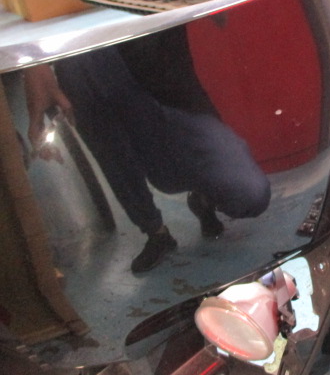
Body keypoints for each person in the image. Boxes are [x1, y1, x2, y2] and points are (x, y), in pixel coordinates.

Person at [24, 27, 271, 273]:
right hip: (85, 49)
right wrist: (35, 63)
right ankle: (156, 232)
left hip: (160, 74)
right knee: (81, 69)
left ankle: (203, 196)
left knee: (250, 194)